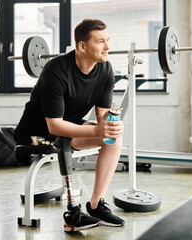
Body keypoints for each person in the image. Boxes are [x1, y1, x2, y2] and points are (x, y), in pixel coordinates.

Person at [14, 18, 125, 232]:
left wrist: (110, 126)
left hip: (70, 125)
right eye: (100, 41)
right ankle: (72, 212)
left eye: (107, 40)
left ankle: (95, 205)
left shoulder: (105, 70)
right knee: (69, 136)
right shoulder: (55, 70)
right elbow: (55, 126)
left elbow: (101, 118)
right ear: (82, 46)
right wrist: (96, 129)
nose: (108, 47)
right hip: (38, 131)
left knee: (114, 138)